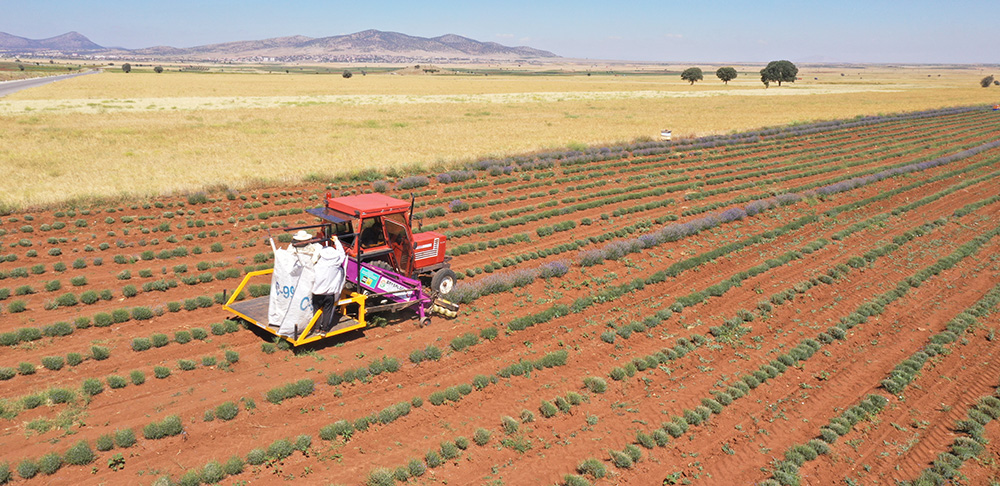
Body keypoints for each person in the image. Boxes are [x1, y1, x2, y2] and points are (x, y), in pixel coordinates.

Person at [311, 235, 348, 332]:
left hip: (317, 292)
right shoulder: (336, 263)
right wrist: (337, 241)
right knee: (327, 311)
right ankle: (324, 329)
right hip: (329, 293)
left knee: (316, 311)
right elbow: (342, 254)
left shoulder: (317, 264)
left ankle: (316, 328)